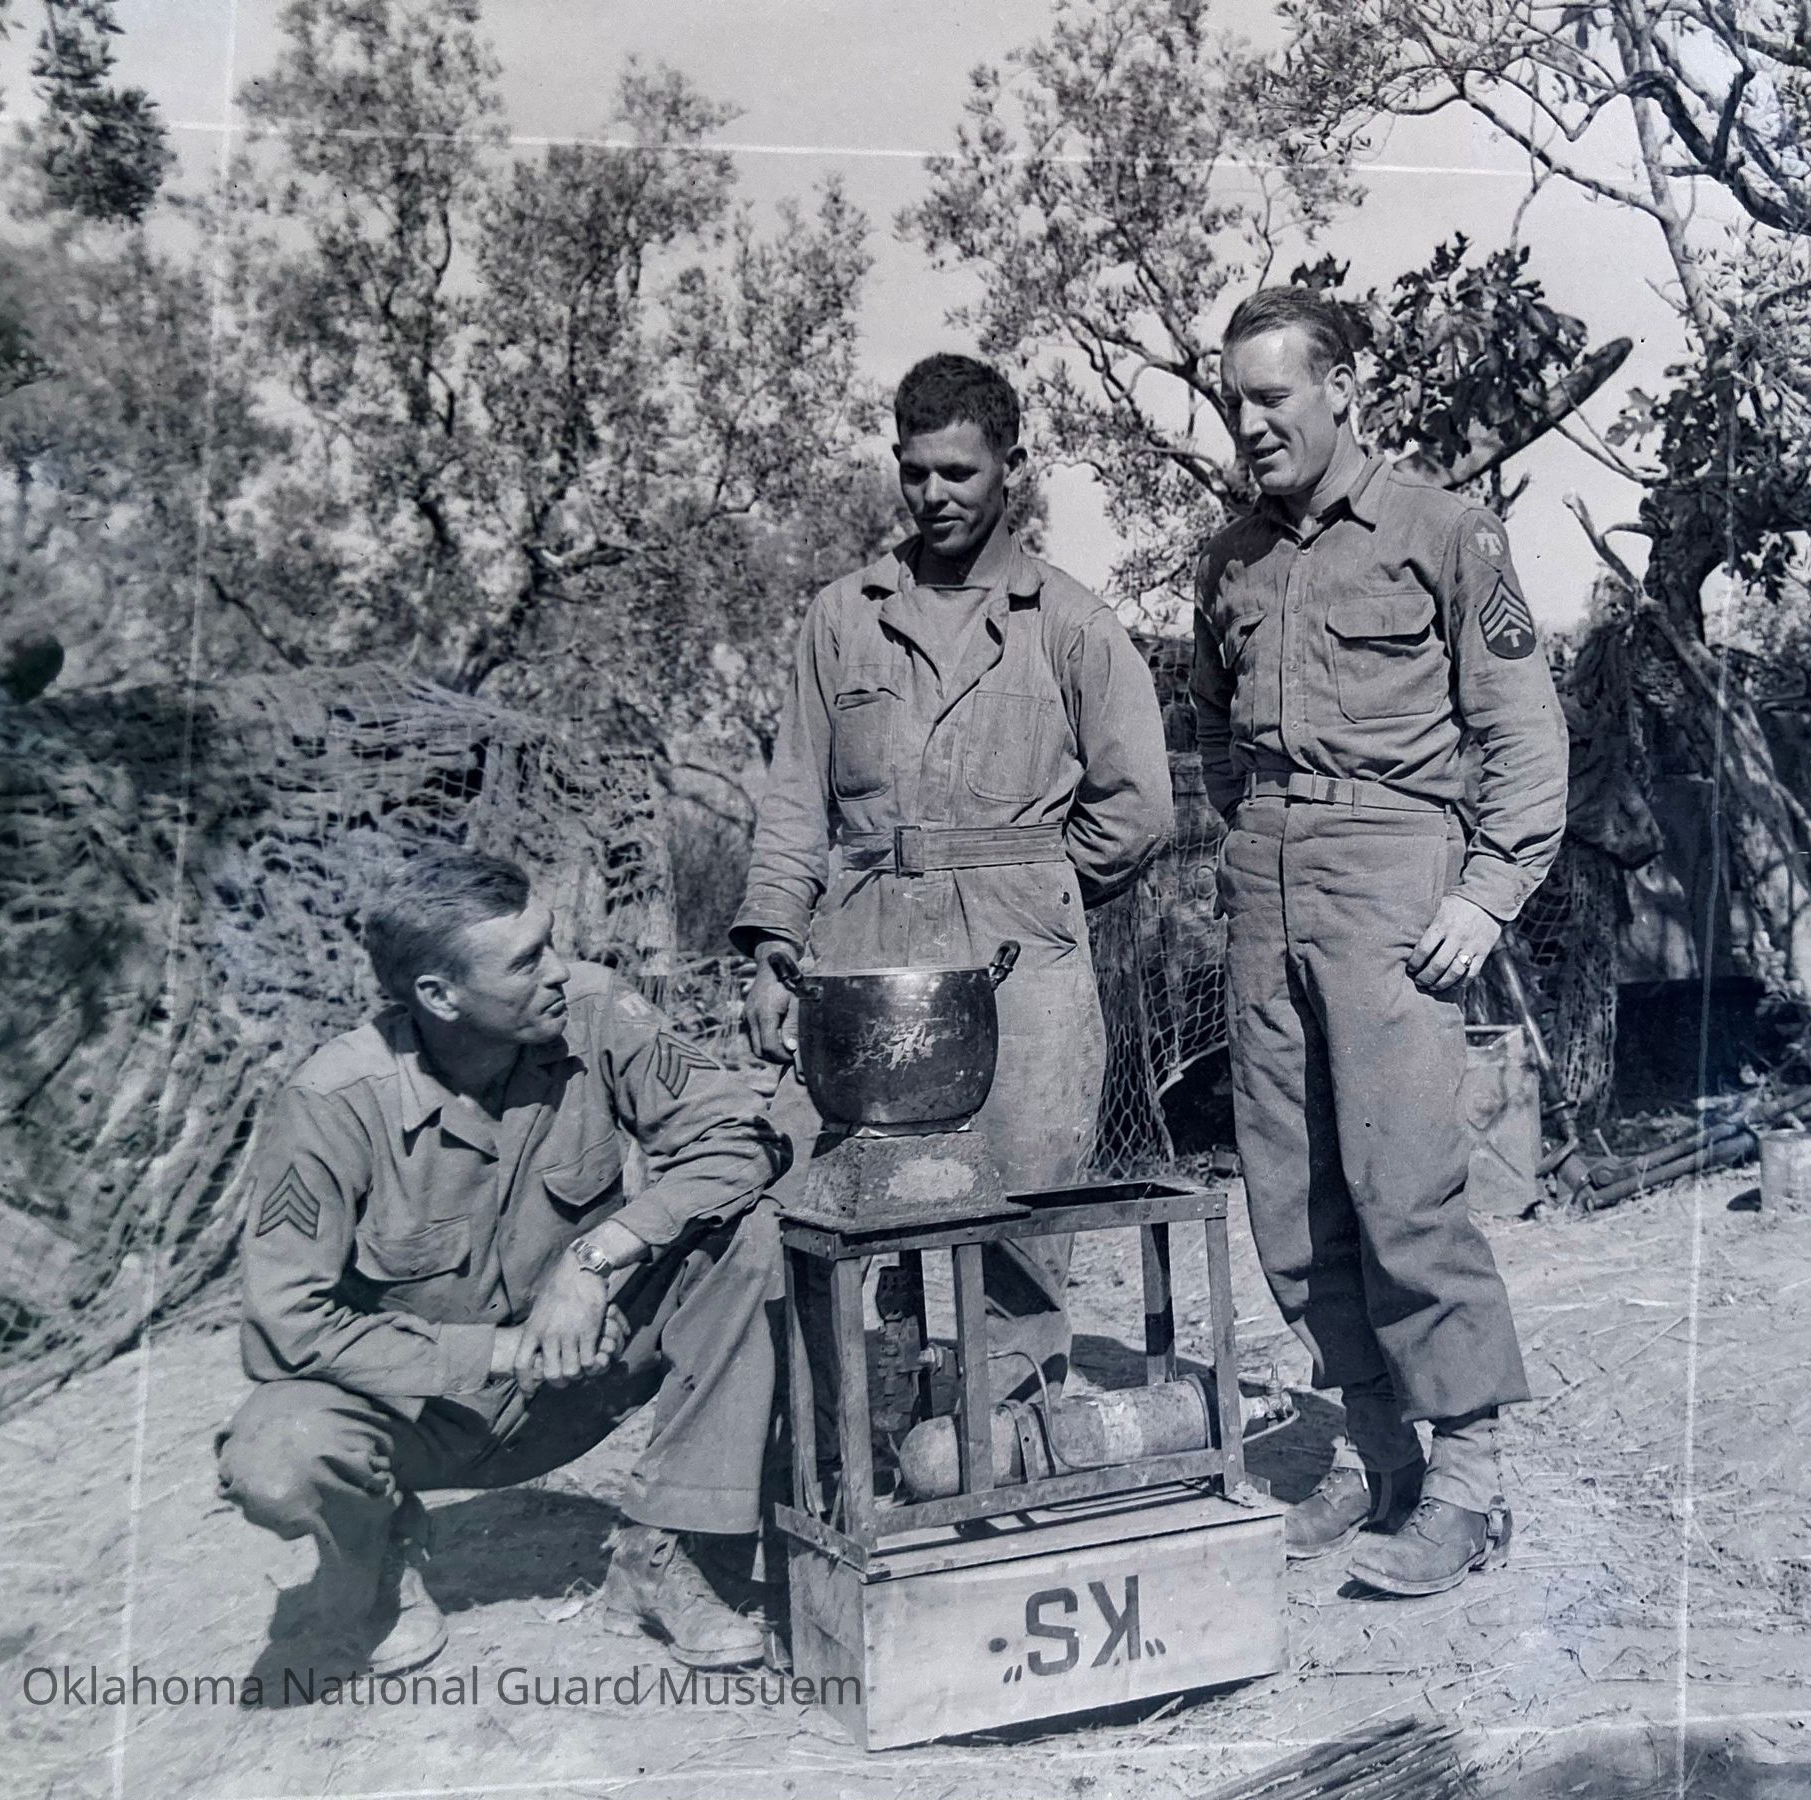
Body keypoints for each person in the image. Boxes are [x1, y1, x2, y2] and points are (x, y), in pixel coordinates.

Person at [1190, 287, 1569, 1597]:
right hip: (1265, 879)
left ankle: (1469, 1483)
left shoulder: (1444, 531)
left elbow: (1523, 728)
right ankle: (1377, 1449)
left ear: (1342, 387)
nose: (1250, 424)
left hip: (1394, 875)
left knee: (1405, 1190)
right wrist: (1258, 841)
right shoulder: (1228, 561)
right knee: (1291, 1200)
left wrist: (1488, 891)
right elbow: (1212, 728)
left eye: (1271, 397)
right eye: (1234, 403)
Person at [216, 849, 791, 1676]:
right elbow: (285, 1325)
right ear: (439, 996)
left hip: (589, 1372)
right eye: (526, 961)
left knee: (754, 1234)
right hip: (424, 1414)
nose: (558, 970)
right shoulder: (332, 1104)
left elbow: (742, 1139)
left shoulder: (595, 1010)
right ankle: (376, 1562)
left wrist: (593, 1260)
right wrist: (503, 1350)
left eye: (549, 942)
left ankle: (665, 1552)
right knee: (276, 1455)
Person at [733, 352, 1173, 1401]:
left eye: (959, 473)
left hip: (1023, 975)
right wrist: (773, 948)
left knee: (1018, 1234)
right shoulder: (842, 618)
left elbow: (1139, 807)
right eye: (915, 471)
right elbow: (794, 800)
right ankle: (861, 1451)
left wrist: (1038, 889)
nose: (933, 494)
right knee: (832, 1222)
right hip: (863, 964)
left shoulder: (1070, 622)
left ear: (1011, 468)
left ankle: (1002, 1450)